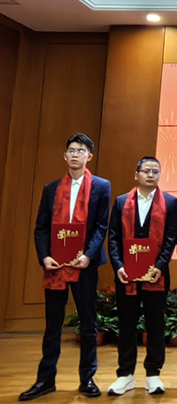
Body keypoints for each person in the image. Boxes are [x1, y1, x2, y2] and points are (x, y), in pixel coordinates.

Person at [20, 133, 111, 401]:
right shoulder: (51, 188)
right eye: (71, 150)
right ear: (65, 155)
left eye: (80, 150)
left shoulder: (101, 186)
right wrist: (44, 256)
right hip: (56, 266)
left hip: (85, 266)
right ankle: (45, 380)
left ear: (89, 156)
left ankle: (87, 379)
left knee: (89, 323)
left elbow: (101, 226)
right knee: (53, 325)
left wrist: (89, 255)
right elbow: (41, 228)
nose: (75, 154)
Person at [106, 157, 177, 395]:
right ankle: (125, 375)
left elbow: (171, 238)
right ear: (136, 174)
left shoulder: (170, 202)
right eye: (146, 171)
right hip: (126, 275)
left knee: (155, 324)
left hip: (156, 275)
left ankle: (153, 374)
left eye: (155, 171)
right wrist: (118, 265)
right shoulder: (121, 202)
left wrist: (160, 265)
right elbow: (113, 237)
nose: (150, 175)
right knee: (127, 324)